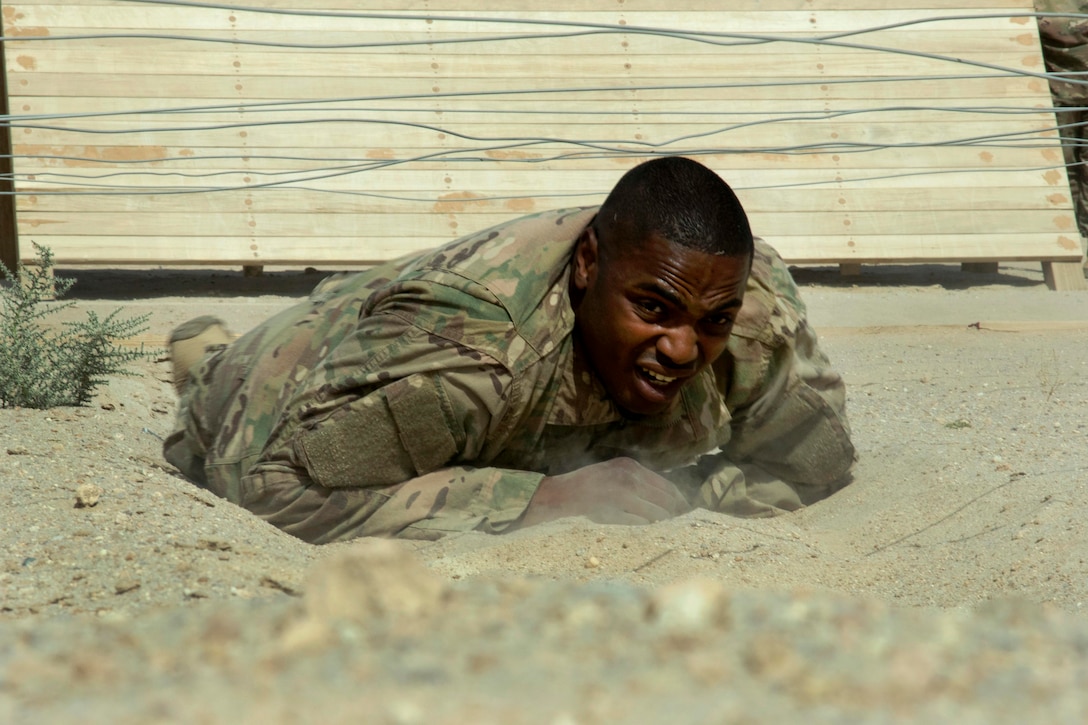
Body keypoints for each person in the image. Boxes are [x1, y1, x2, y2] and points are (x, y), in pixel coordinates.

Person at [164, 157, 855, 543]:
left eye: (713, 319)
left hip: (436, 349)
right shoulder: (475, 352)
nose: (683, 347)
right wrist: (542, 498)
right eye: (653, 309)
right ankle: (205, 353)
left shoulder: (749, 317)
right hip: (276, 379)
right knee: (224, 383)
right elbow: (269, 486)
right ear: (588, 264)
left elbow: (817, 458)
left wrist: (693, 495)